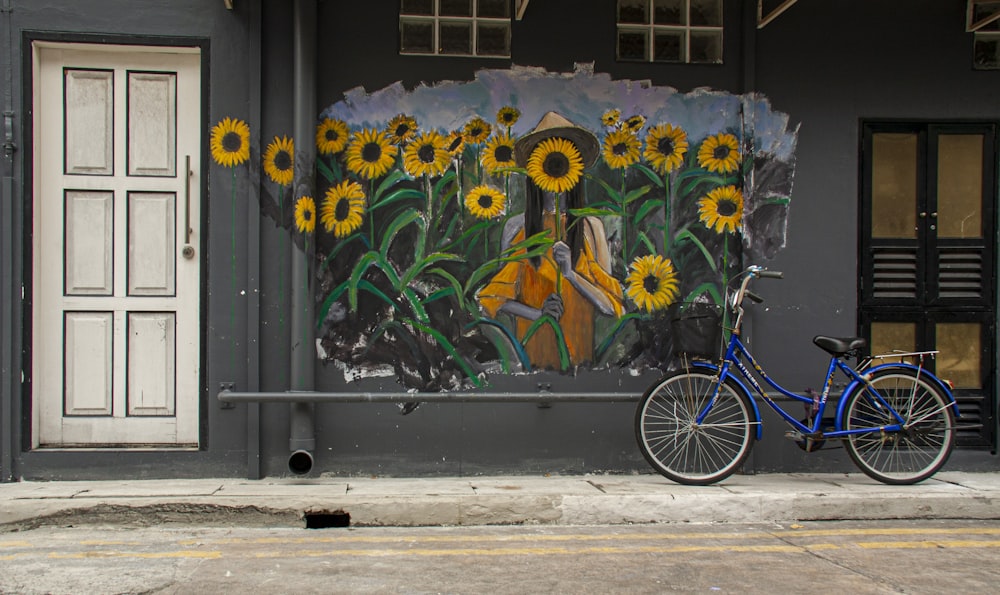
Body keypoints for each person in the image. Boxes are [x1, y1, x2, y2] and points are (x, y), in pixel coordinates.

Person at [478, 112, 624, 369]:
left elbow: (610, 305)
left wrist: (570, 275)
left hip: (579, 359)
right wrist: (539, 314)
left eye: (562, 161)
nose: (555, 169)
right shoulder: (516, 228)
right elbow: (498, 297)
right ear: (535, 170)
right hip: (533, 353)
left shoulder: (591, 227)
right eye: (548, 161)